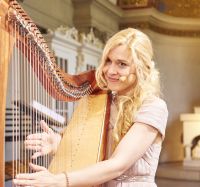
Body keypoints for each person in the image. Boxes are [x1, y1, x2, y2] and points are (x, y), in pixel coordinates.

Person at [13, 28, 168, 187]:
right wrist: (57, 144)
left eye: (122, 64)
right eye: (108, 61)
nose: (110, 70)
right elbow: (88, 148)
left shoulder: (154, 107)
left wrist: (59, 180)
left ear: (143, 69)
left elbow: (118, 165)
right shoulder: (102, 100)